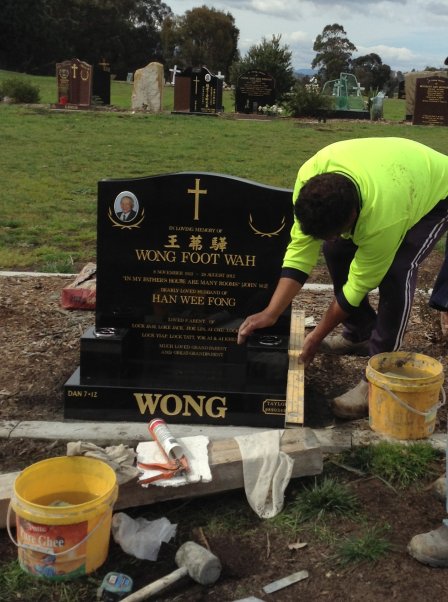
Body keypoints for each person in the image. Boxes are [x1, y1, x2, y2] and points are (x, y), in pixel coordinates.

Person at [238, 136, 448, 566]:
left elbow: (357, 285)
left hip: (433, 190)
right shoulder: (308, 183)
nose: (335, 233)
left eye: (344, 225)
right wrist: (270, 312)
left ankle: (378, 369)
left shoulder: (384, 215)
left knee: (395, 271)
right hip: (385, 178)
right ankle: (358, 332)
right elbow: (301, 249)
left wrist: (314, 339)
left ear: (354, 213)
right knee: (335, 248)